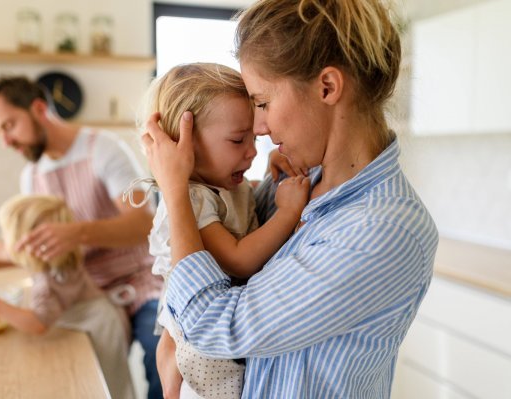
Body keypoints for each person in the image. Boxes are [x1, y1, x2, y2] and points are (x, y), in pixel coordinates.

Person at [141, 0, 439, 398]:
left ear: (327, 87)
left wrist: (174, 191)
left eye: (263, 103)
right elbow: (227, 252)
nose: (259, 128)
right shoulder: (301, 182)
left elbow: (215, 326)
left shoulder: (382, 227)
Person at [0, 76, 164, 399]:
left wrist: (77, 232)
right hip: (80, 290)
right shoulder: (31, 176)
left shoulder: (103, 149)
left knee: (161, 351)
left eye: (9, 126)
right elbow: (33, 248)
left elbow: (144, 223)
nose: (6, 141)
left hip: (139, 282)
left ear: (38, 109)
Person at [130, 63, 309, 398]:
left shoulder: (222, 184)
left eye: (254, 138)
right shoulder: (193, 199)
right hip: (197, 339)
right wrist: (287, 213)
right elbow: (239, 259)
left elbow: (241, 212)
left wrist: (270, 179)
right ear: (185, 147)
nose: (253, 151)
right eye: (238, 140)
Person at [0, 194, 136, 399]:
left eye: (6, 234)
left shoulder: (51, 278)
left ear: (30, 242)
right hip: (100, 319)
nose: (4, 240)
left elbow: (38, 323)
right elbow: (6, 253)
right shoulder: (58, 257)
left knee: (110, 386)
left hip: (99, 328)